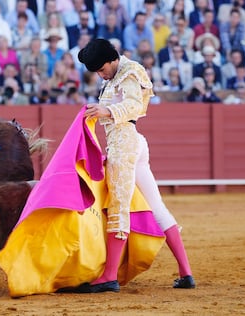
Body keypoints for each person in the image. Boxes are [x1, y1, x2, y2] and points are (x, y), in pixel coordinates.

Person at [76, 38, 195, 293]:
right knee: (156, 207)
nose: (100, 74)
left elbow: (134, 106)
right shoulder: (114, 78)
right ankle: (186, 273)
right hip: (130, 144)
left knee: (119, 207)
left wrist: (105, 111)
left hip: (125, 145)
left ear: (112, 59)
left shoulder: (131, 70)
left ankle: (109, 276)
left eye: (101, 69)